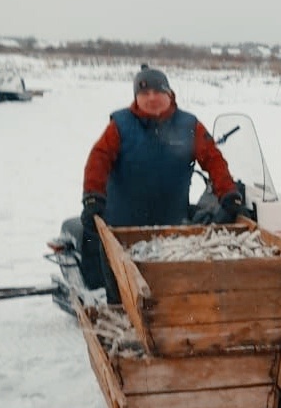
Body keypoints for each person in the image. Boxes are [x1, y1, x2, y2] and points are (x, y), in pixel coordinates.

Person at [81, 66, 242, 302]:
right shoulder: (120, 125)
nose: (152, 98)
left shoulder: (189, 125)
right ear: (136, 97)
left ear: (170, 94)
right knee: (123, 294)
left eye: (158, 91)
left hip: (172, 226)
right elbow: (99, 158)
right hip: (122, 226)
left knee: (172, 290)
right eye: (144, 93)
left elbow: (213, 159)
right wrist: (92, 197)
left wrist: (229, 193)